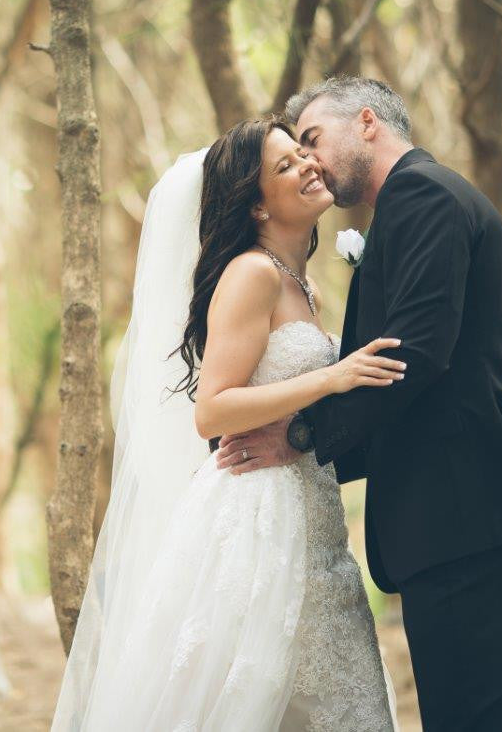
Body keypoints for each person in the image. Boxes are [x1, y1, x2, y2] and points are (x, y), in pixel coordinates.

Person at [213, 76, 502, 730]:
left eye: (312, 139)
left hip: (459, 517)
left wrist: (302, 435)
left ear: (366, 123)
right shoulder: (422, 201)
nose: (309, 161)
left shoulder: (421, 195)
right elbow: (430, 378)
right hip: (475, 513)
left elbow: (414, 356)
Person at [52, 116, 400, 730]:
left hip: (311, 513)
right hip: (260, 519)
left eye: (303, 153)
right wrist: (332, 377)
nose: (309, 166)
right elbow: (212, 409)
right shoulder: (252, 274)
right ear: (257, 206)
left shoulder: (302, 283)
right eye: (285, 167)